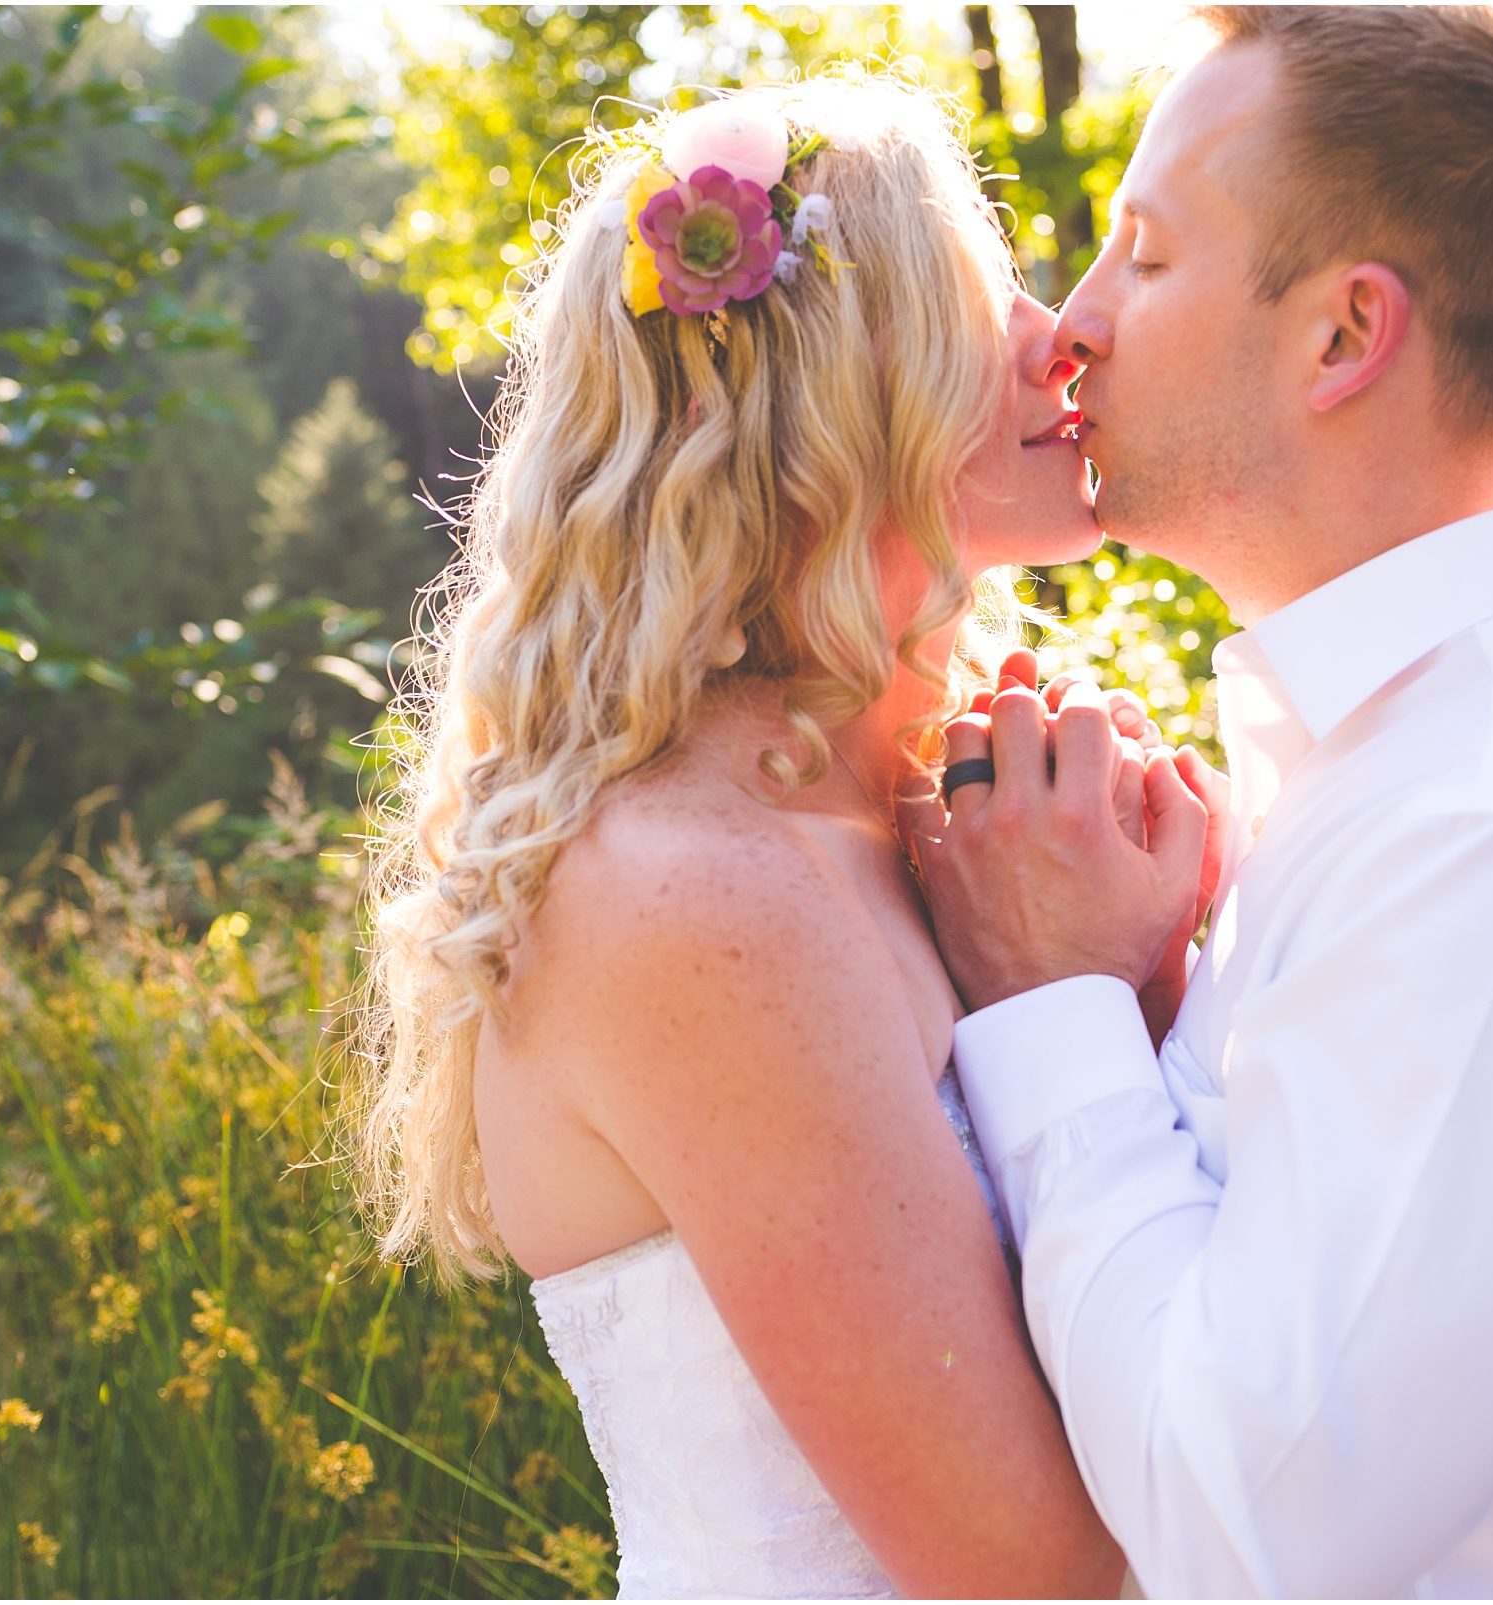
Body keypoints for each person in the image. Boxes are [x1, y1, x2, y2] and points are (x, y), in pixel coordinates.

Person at [915, 8, 1493, 1597]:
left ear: (1344, 336)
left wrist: (1053, 1004)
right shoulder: (1388, 768)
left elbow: (1243, 1531)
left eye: (1144, 249)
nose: (1071, 322)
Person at [353, 78, 1131, 1599]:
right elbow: (1028, 1568)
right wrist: (1081, 992)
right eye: (982, 301)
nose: (1064, 338)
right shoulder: (690, 895)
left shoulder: (927, 803)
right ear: (816, 388)